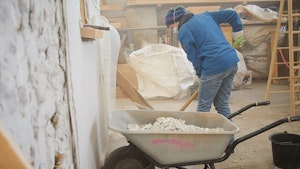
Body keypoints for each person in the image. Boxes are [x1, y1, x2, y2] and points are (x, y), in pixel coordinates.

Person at [164, 5, 245, 118]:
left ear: (174, 22)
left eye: (170, 26)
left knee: (203, 107)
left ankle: (201, 135)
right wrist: (239, 35)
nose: (173, 29)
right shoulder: (206, 16)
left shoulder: (184, 31)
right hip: (231, 61)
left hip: (214, 65)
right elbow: (232, 14)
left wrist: (200, 74)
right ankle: (229, 135)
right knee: (221, 104)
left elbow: (194, 57)